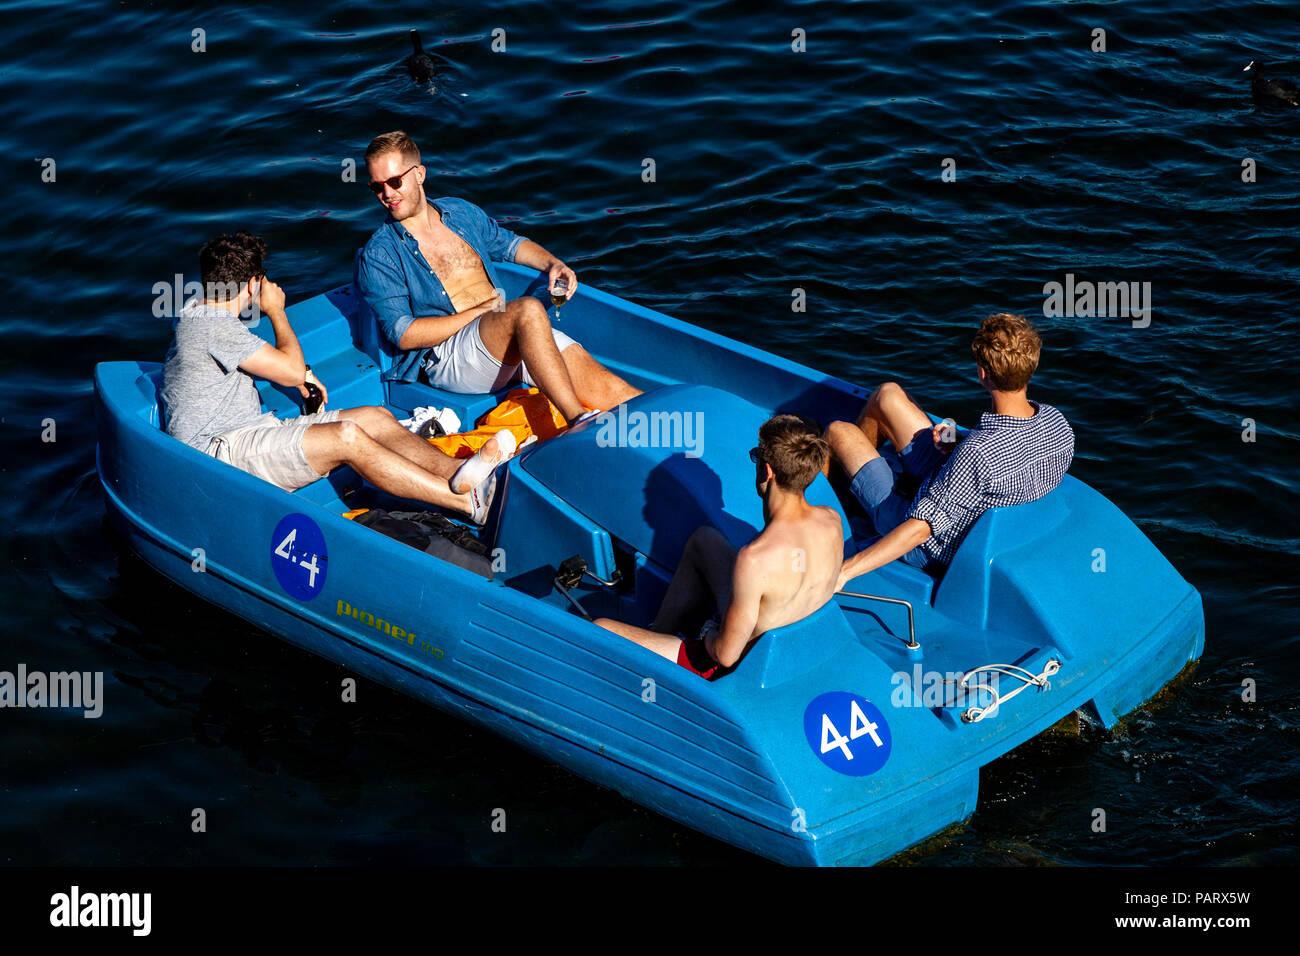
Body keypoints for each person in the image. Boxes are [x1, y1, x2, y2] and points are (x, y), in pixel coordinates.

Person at [160, 231, 509, 522]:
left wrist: (301, 375)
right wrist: (277, 311)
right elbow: (291, 368)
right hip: (217, 456)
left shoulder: (198, 316)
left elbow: (280, 368)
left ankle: (457, 474)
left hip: (251, 432)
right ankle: (466, 503)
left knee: (375, 417)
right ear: (254, 284)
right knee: (347, 437)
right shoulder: (212, 325)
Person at [354, 130, 640, 423]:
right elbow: (403, 334)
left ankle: (678, 442)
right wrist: (483, 311)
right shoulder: (380, 253)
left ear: (419, 174)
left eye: (394, 181)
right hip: (451, 357)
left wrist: (553, 263)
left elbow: (509, 244)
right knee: (527, 310)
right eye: (376, 187)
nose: (387, 194)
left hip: (505, 331)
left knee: (620, 393)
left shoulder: (459, 212)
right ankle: (577, 419)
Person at [825, 312, 1075, 585]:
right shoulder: (1056, 422)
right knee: (888, 395)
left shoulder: (978, 453)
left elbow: (920, 530)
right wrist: (960, 443)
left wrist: (844, 572)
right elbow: (1008, 460)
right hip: (958, 483)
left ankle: (825, 506)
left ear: (983, 373)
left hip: (928, 545)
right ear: (1031, 364)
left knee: (839, 432)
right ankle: (853, 482)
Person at [594, 415, 843, 679]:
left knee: (600, 630)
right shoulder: (831, 520)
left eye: (756, 456)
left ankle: (657, 660)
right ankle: (657, 637)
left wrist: (707, 632)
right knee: (705, 540)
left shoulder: (756, 559)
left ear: (767, 471)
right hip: (790, 649)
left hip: (742, 669)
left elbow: (725, 655)